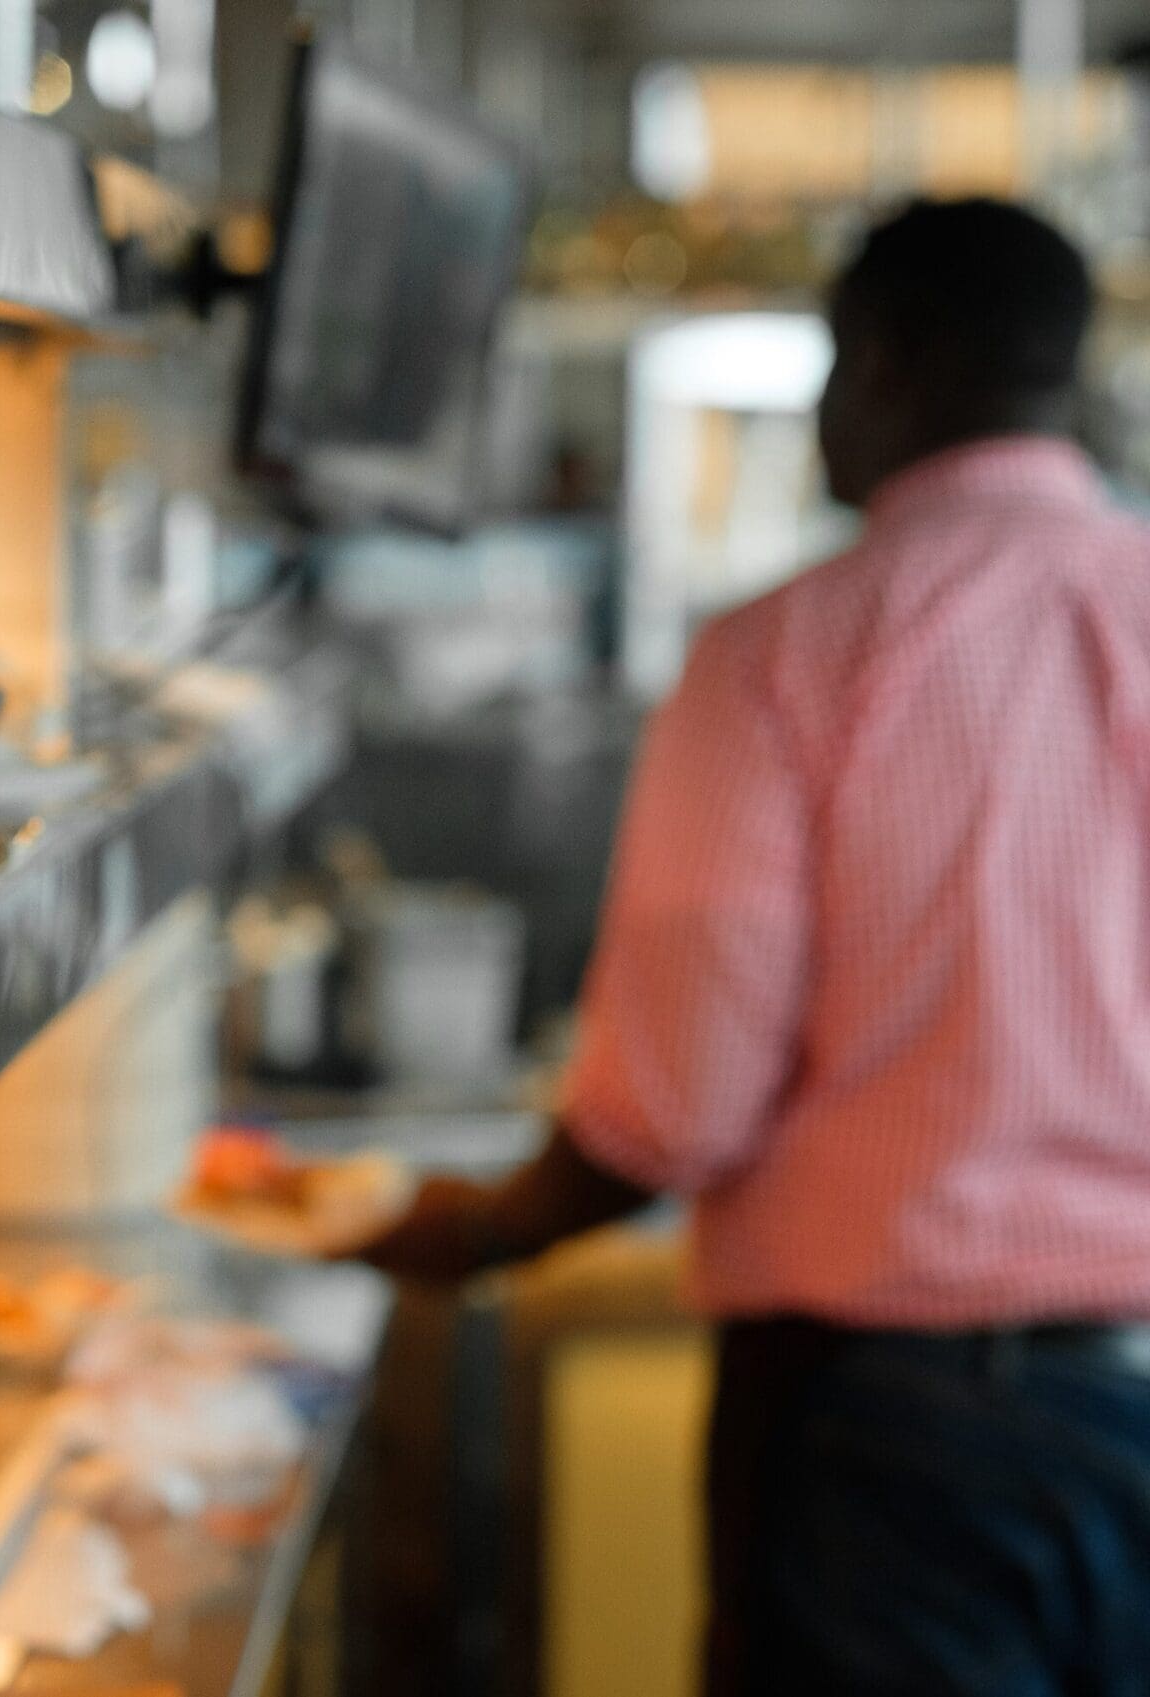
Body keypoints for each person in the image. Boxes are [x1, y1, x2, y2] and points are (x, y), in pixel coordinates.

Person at [353, 197, 1150, 1697]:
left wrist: (475, 1231)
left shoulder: (786, 652)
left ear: (893, 360)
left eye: (831, 370)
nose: (821, 420)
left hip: (894, 1427)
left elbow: (681, 1100)